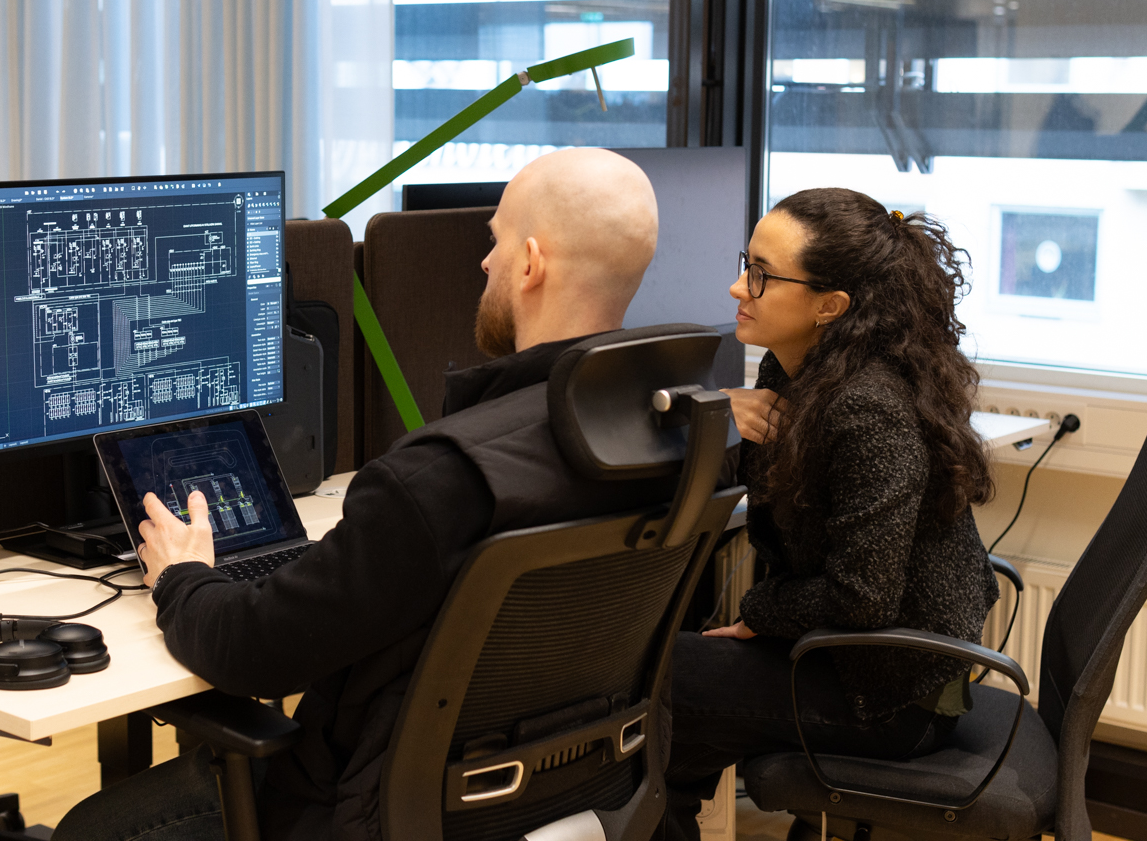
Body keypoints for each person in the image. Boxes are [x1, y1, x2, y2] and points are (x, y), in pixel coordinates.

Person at [53, 147, 665, 841]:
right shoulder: (674, 440)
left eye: (494, 243)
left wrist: (184, 577)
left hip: (365, 808)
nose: (485, 264)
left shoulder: (442, 478)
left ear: (530, 264)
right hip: (561, 790)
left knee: (91, 829)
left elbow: (256, 652)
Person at [656, 188, 1000, 839]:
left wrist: (758, 616)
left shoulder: (865, 407)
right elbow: (766, 481)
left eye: (761, 274)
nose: (737, 287)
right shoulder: (795, 372)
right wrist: (712, 417)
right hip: (850, 655)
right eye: (745, 262)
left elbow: (862, 601)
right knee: (675, 722)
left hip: (892, 692)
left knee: (656, 680)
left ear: (830, 306)